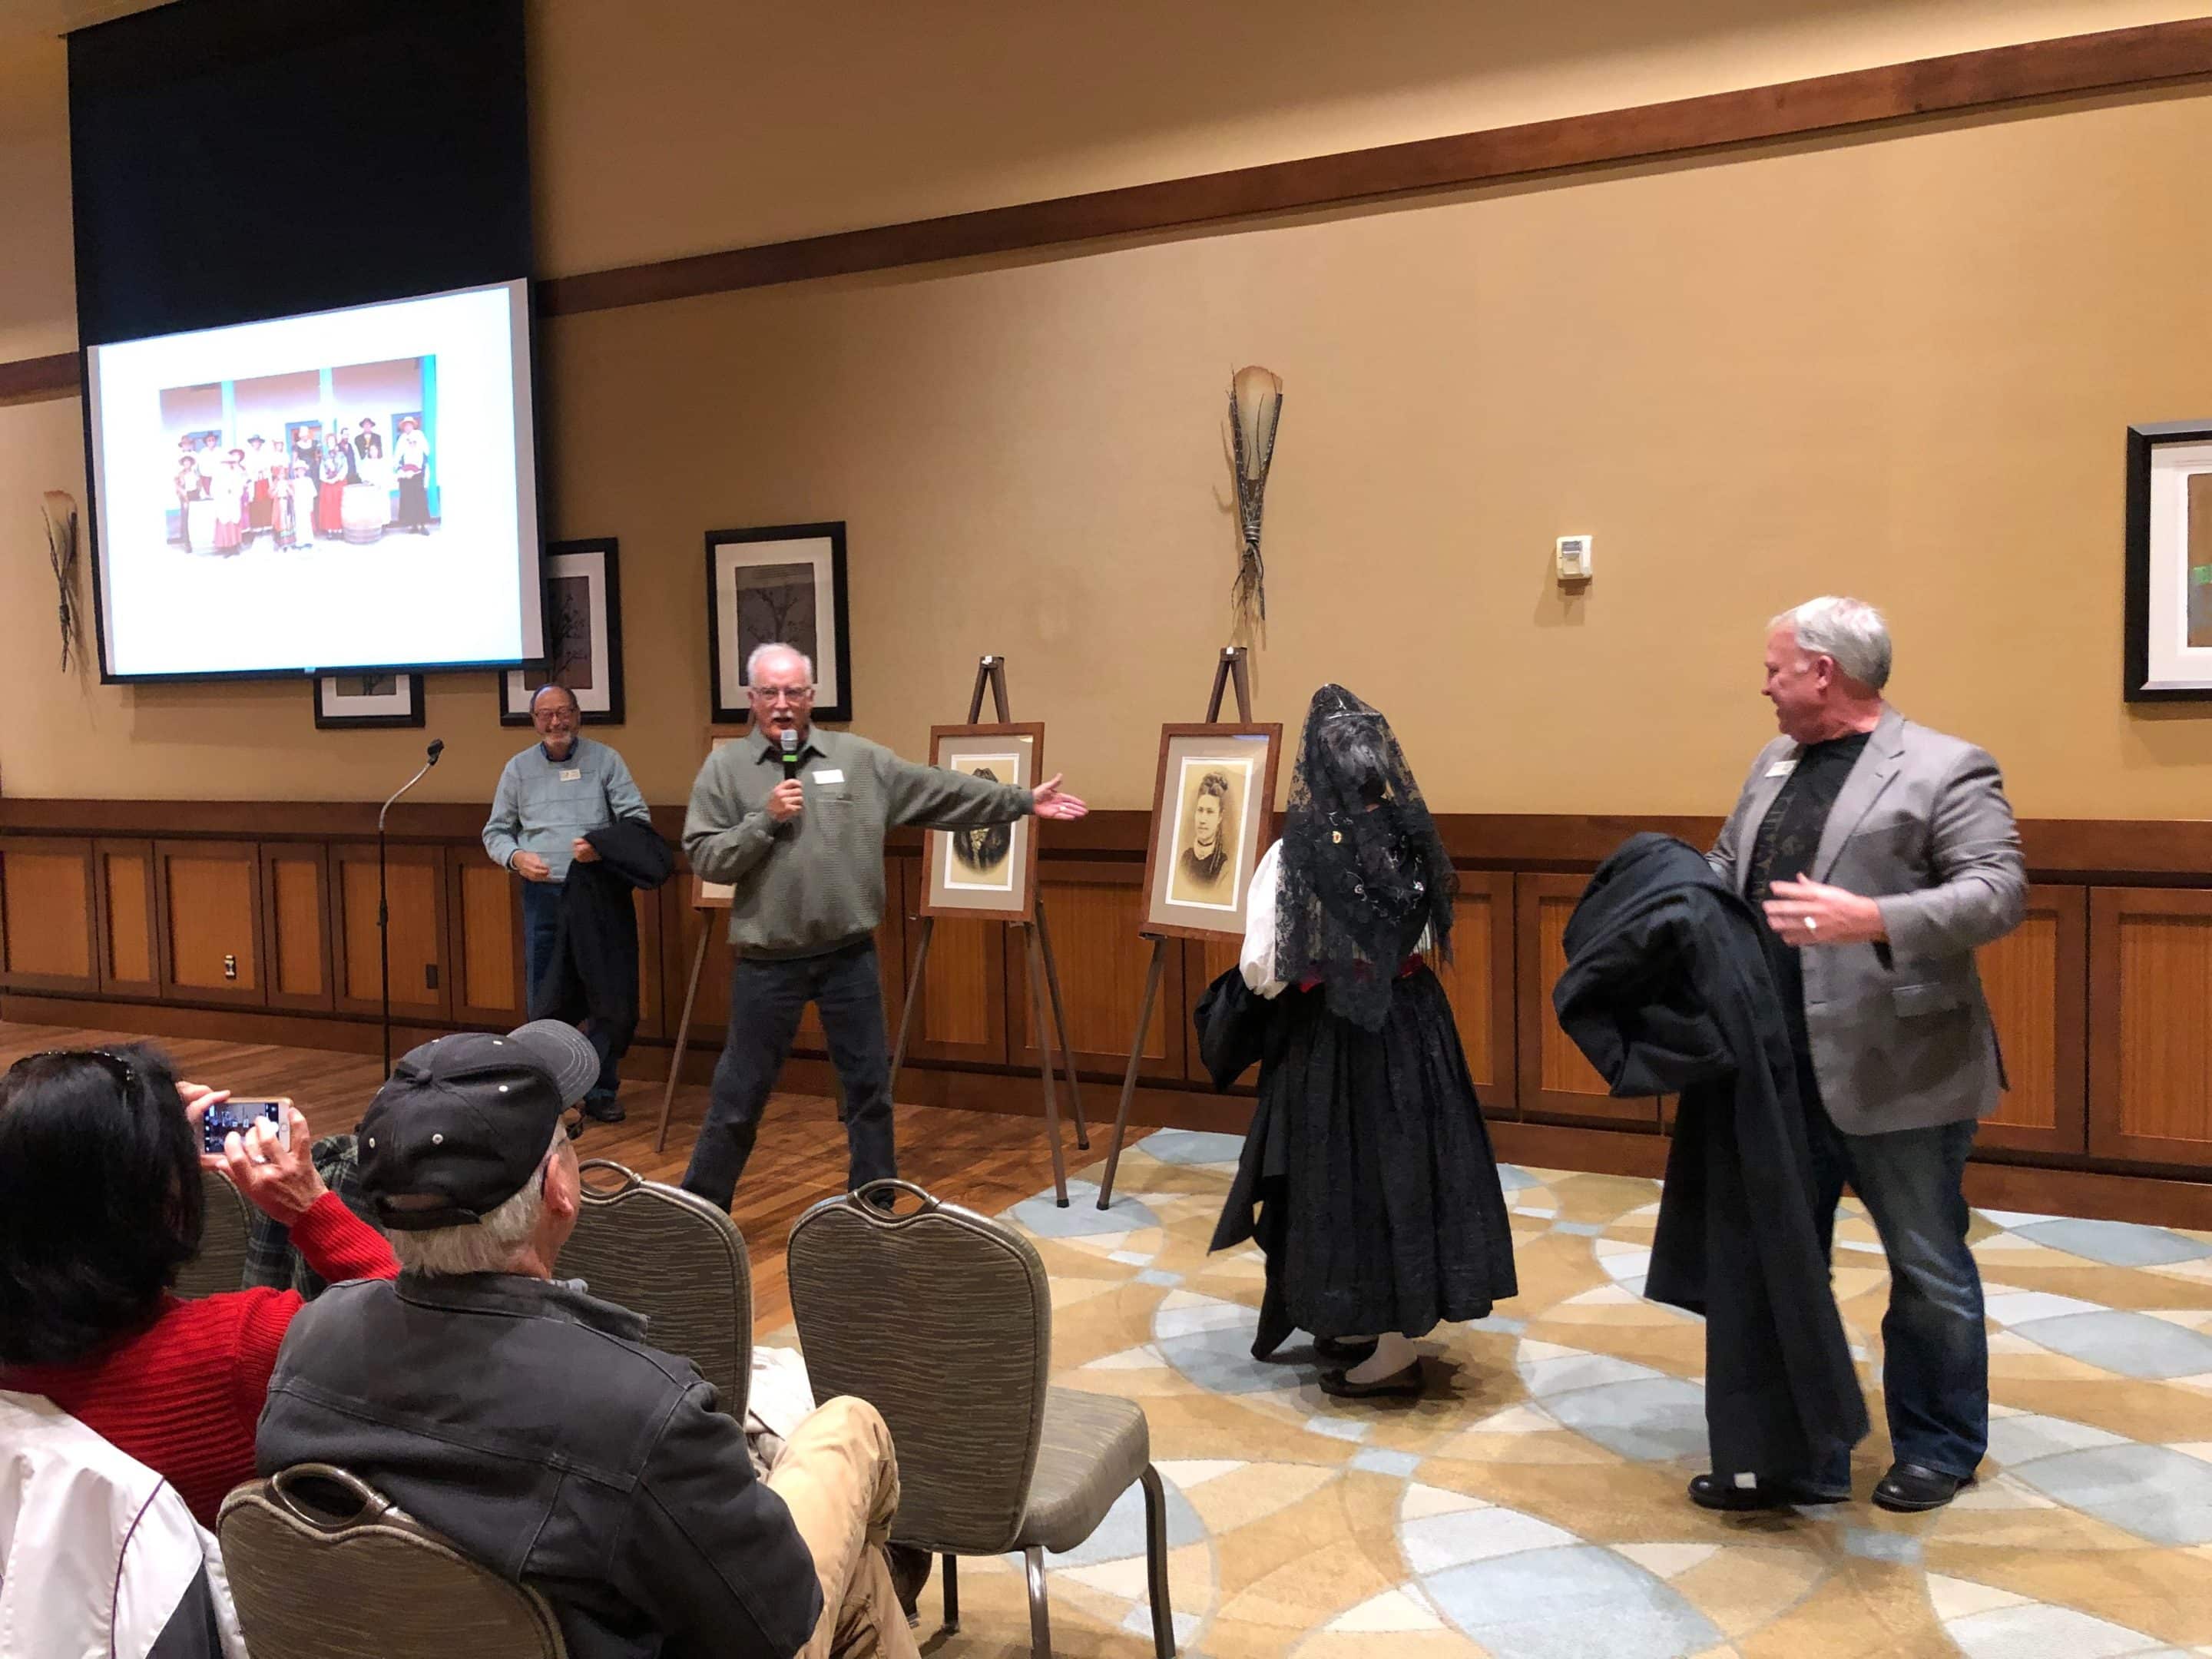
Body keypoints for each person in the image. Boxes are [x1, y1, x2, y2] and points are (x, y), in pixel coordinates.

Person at [257, 1022, 921, 1659]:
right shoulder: (640, 1407)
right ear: (560, 1187)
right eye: (567, 1138)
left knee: (856, 1579)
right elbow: (774, 1622)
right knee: (848, 1430)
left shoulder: (310, 1342)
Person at [1704, 594, 2025, 1514]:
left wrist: (1874, 918)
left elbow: (1998, 893)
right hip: (1775, 1066)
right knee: (1784, 1264)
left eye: (1774, 668)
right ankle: (1799, 1451)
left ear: (1823, 671)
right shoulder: (1772, 763)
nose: (1763, 684)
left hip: (1901, 1069)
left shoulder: (1944, 766)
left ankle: (1940, 1445)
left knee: (1926, 1269)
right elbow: (1730, 863)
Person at [680, 642, 1088, 1207]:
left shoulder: (859, 759)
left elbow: (940, 790)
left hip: (849, 957)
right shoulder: (725, 769)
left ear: (812, 697)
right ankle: (700, 1213)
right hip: (768, 965)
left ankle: (875, 1210)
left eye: (793, 692)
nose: (782, 705)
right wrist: (764, 820)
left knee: (869, 1092)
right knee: (738, 1096)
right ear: (750, 698)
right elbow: (706, 858)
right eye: (769, 693)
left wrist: (1020, 800)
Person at [1206, 684, 1517, 1398]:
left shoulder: (1299, 852)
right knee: (1409, 1172)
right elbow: (1432, 929)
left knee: (1346, 1179)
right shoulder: (1412, 836)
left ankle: (1381, 1339)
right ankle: (1381, 1327)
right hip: (1413, 1026)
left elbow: (1265, 967)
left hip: (1336, 1039)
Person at [0, 1045, 399, 1527]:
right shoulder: (244, 1348)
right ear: (161, 1205)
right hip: (218, 1601)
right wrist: (310, 1207)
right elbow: (426, 1328)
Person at [482, 681, 651, 1120]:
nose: (556, 722)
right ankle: (549, 1092)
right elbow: (495, 832)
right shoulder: (517, 769)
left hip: (597, 894)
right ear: (535, 722)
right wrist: (517, 858)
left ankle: (599, 1090)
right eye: (546, 715)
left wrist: (602, 847)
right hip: (544, 895)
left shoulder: (606, 761)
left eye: (564, 713)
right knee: (547, 998)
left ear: (578, 715)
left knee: (606, 997)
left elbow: (636, 820)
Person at [1178, 767, 1233, 891]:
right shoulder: (1185, 859)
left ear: (1220, 817)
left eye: (1210, 812)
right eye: (1200, 810)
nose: (1202, 820)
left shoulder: (1224, 867)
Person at [393, 415, 432, 533]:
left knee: (420, 499)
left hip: (418, 473)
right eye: (405, 425)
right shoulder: (401, 439)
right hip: (406, 474)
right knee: (409, 500)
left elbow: (427, 451)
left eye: (409, 425)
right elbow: (397, 456)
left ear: (413, 426)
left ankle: (423, 526)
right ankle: (413, 525)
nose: (407, 427)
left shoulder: (419, 435)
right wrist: (399, 470)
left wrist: (420, 469)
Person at [210, 449, 247, 552]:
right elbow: (213, 489)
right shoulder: (218, 475)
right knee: (224, 523)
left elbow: (240, 486)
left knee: (234, 523)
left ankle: (235, 547)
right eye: (226, 463)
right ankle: (226, 548)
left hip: (233, 501)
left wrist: (235, 492)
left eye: (230, 463)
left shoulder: (236, 474)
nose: (228, 465)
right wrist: (223, 493)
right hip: (223, 502)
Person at [316, 436, 349, 538]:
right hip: (328, 485)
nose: (331, 443)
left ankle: (340, 529)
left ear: (335, 442)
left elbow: (345, 468)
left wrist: (337, 478)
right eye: (329, 441)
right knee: (329, 506)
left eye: (333, 441)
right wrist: (327, 479)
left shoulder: (341, 455)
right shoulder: (325, 456)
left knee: (339, 505)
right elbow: (322, 469)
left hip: (339, 483)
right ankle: (330, 530)